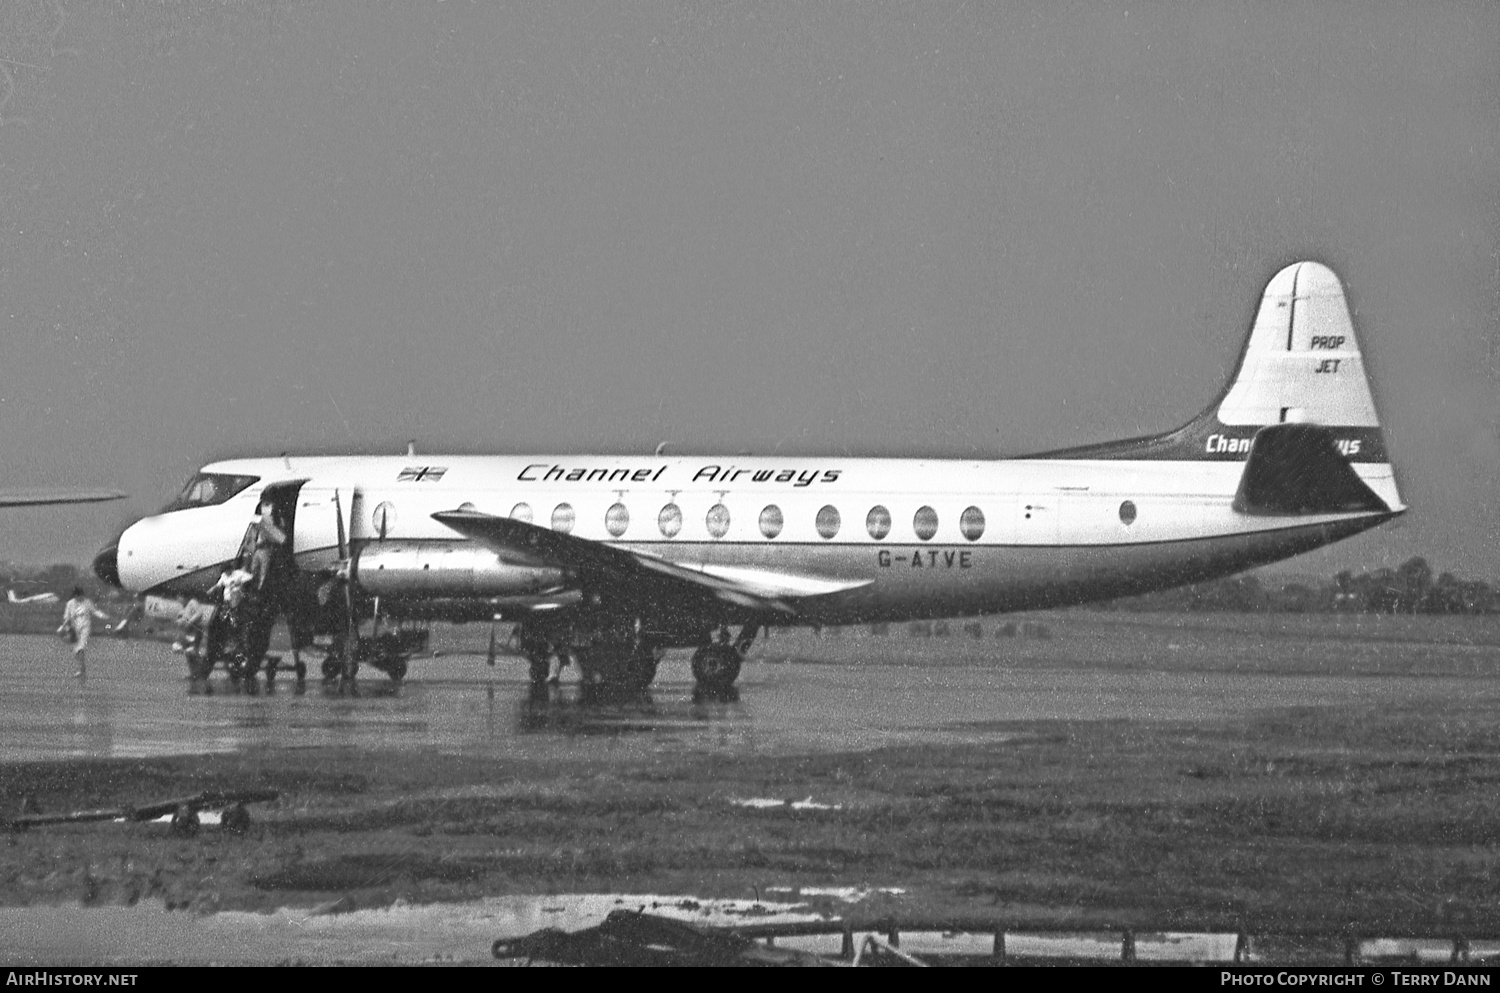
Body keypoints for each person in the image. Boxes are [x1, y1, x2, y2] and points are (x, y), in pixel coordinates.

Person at [59, 587, 109, 679]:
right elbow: (67, 617)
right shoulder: (70, 604)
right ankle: (82, 670)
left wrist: (104, 616)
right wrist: (64, 627)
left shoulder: (87, 602)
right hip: (74, 629)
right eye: (79, 596)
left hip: (85, 627)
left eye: (82, 596)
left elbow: (95, 611)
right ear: (75, 596)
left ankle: (82, 670)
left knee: (81, 648)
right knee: (76, 651)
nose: (81, 598)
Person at [249, 498, 289, 593]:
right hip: (258, 549)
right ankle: (253, 586)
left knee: (263, 570)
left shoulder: (271, 523)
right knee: (254, 569)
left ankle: (260, 588)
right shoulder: (259, 526)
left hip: (265, 549)